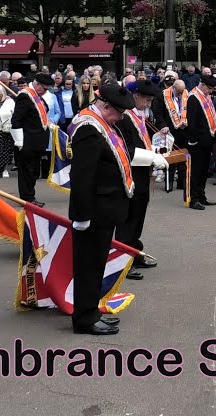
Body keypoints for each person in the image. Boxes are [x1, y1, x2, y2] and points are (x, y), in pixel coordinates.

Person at [68, 82, 164, 336]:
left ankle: (91, 311)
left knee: (96, 264)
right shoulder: (89, 129)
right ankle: (84, 319)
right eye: (119, 113)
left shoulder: (103, 123)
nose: (121, 118)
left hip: (106, 208)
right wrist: (81, 215)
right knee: (88, 266)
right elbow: (82, 176)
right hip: (94, 211)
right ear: (106, 106)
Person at [116, 80, 163, 280]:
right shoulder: (125, 118)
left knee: (138, 217)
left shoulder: (138, 116)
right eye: (147, 99)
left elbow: (142, 142)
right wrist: (153, 157)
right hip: (131, 173)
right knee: (128, 219)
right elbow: (127, 149)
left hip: (142, 172)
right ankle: (122, 262)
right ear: (135, 96)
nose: (149, 104)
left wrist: (156, 152)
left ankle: (134, 253)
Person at [11, 73, 54, 208]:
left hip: (37, 142)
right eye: (44, 88)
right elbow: (16, 120)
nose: (46, 91)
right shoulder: (25, 96)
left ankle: (31, 195)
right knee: (27, 171)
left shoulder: (38, 97)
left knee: (34, 171)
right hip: (27, 143)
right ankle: (27, 198)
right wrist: (19, 141)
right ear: (37, 84)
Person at [184, 73, 216, 209]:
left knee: (204, 170)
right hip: (198, 142)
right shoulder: (194, 97)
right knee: (196, 171)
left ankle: (201, 195)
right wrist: (193, 141)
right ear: (203, 85)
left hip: (208, 139)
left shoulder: (206, 96)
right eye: (210, 88)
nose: (211, 92)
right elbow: (192, 122)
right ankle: (193, 199)